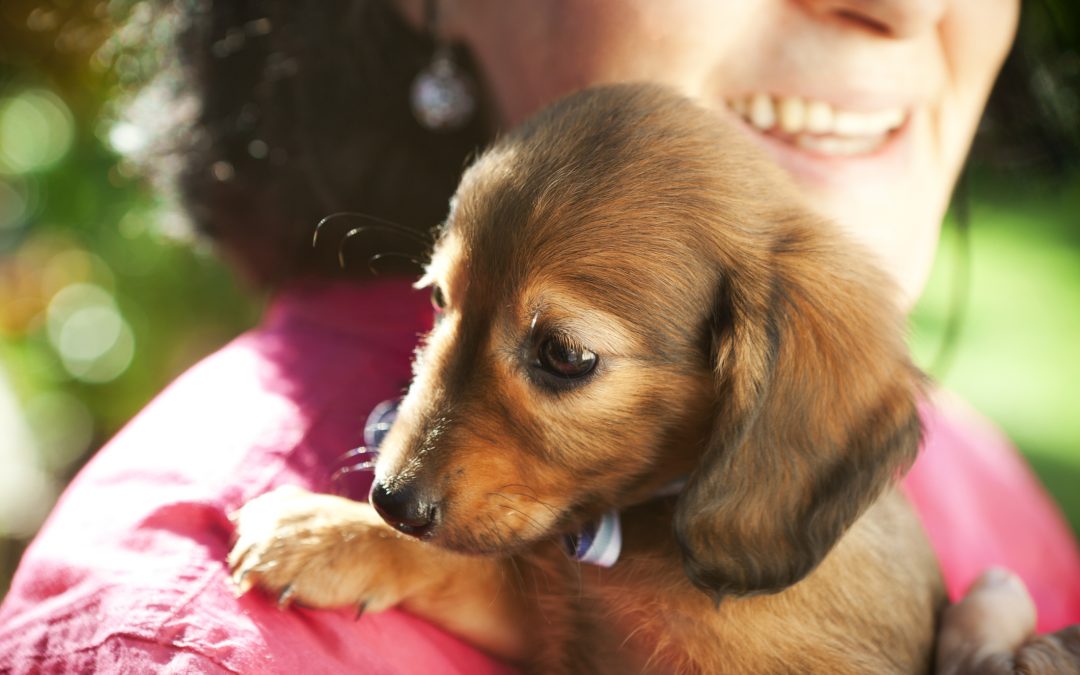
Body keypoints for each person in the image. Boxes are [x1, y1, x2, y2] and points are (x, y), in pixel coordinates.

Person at [1, 1, 1078, 672]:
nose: (901, 4)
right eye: (447, 303)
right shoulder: (182, 638)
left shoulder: (977, 481)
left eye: (562, 357)